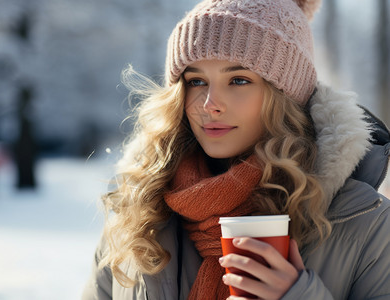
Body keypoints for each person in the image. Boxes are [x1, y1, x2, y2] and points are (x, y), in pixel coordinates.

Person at [83, 0, 390, 299]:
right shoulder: (138, 213)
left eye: (239, 80)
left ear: (286, 97)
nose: (210, 104)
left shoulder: (367, 225)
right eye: (197, 81)